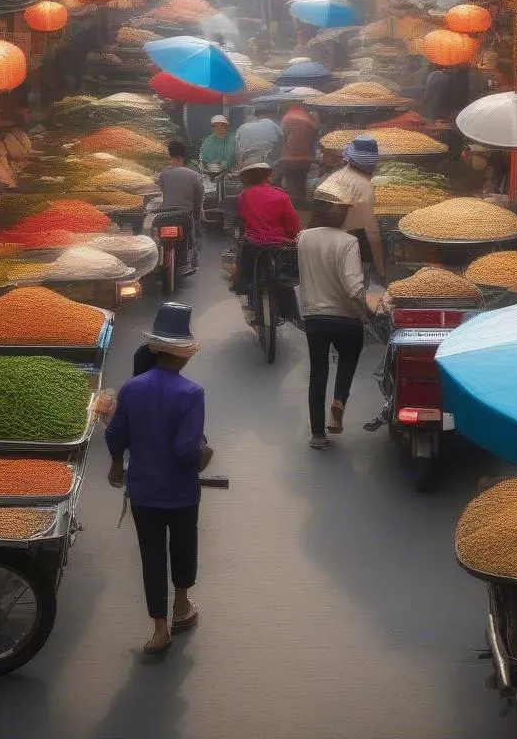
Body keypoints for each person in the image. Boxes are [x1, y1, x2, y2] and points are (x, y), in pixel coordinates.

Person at [105, 303, 212, 656]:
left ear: (154, 348)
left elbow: (116, 433)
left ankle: (159, 629)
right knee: (183, 549)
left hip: (144, 492)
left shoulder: (131, 389)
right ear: (184, 355)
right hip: (180, 493)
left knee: (151, 556)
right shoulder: (191, 393)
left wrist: (117, 466)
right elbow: (186, 452)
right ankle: (182, 605)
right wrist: (204, 455)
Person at [297, 182, 372, 449]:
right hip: (346, 319)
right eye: (344, 209)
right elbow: (353, 286)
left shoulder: (304, 238)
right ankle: (339, 400)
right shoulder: (349, 241)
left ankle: (317, 435)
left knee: (318, 373)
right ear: (337, 212)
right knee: (349, 357)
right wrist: (368, 311)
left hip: (314, 318)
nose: (346, 214)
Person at [320, 134, 385, 279]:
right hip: (349, 250)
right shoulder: (365, 187)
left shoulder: (338, 176)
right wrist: (381, 269)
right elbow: (373, 235)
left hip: (329, 246)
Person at [234, 162, 301, 297]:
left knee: (243, 261)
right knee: (291, 277)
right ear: (268, 177)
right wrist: (294, 237)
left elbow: (243, 219)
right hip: (281, 246)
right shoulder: (281, 196)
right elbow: (292, 224)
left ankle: (241, 285)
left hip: (253, 244)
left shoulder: (244, 196)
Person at [278, 103, 318, 199]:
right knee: (301, 181)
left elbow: (282, 137)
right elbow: (313, 139)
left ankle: (292, 204)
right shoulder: (309, 120)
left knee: (290, 181)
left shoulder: (286, 118)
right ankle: (301, 202)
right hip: (306, 158)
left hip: (288, 157)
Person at [157, 141, 205, 218]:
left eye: (172, 160)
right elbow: (199, 196)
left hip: (166, 211)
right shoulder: (195, 173)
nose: (171, 163)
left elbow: (163, 190)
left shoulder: (164, 172)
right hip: (188, 211)